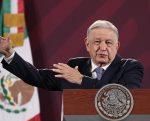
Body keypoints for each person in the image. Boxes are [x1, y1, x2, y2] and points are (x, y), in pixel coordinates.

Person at [0, 20, 144, 90]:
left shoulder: (130, 67)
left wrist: (81, 80)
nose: (102, 48)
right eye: (97, 42)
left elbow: (126, 96)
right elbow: (38, 77)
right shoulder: (75, 66)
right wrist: (9, 53)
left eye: (108, 42)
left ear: (117, 45)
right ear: (87, 44)